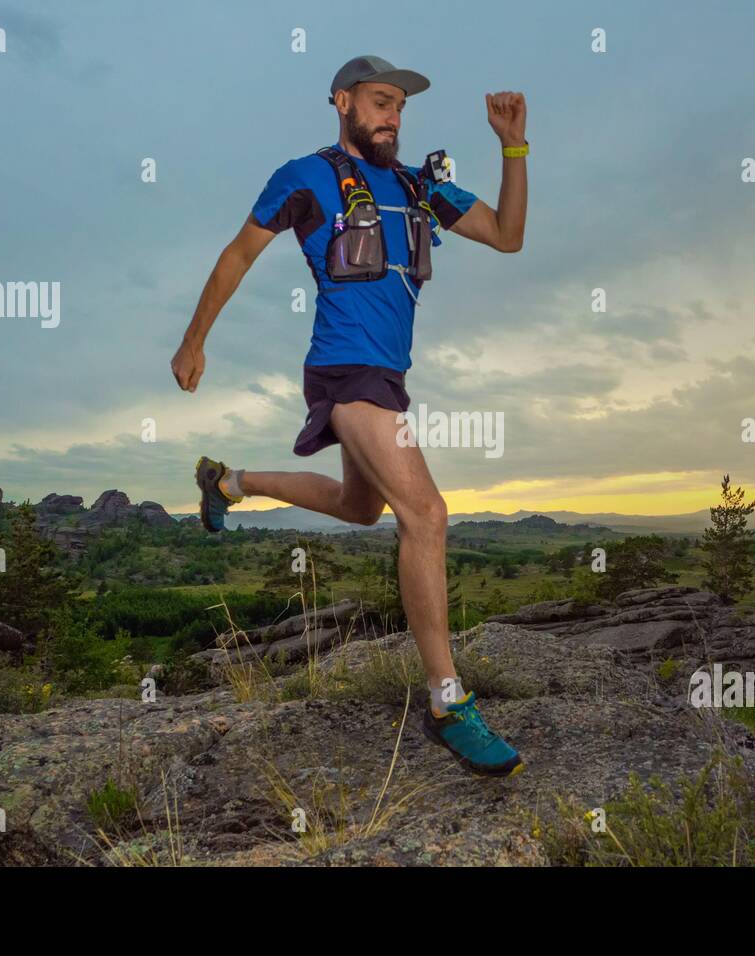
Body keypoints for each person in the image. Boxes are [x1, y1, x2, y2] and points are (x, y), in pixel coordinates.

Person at [170, 55, 528, 777]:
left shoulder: (420, 186)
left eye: (400, 105)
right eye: (379, 100)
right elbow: (239, 255)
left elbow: (508, 234)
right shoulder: (305, 176)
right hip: (346, 367)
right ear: (343, 102)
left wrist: (512, 147)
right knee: (425, 514)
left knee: (362, 508)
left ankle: (229, 484)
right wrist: (194, 337)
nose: (393, 115)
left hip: (386, 376)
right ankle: (447, 699)